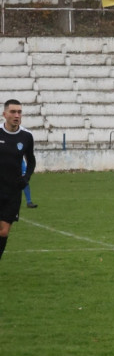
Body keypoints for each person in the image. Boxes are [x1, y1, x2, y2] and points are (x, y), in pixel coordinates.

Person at [1, 99, 35, 261]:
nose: (17, 115)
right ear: (4, 114)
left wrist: (26, 177)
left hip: (13, 191)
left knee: (4, 231)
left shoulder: (26, 136)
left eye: (19, 112)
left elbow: (31, 161)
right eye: (13, 112)